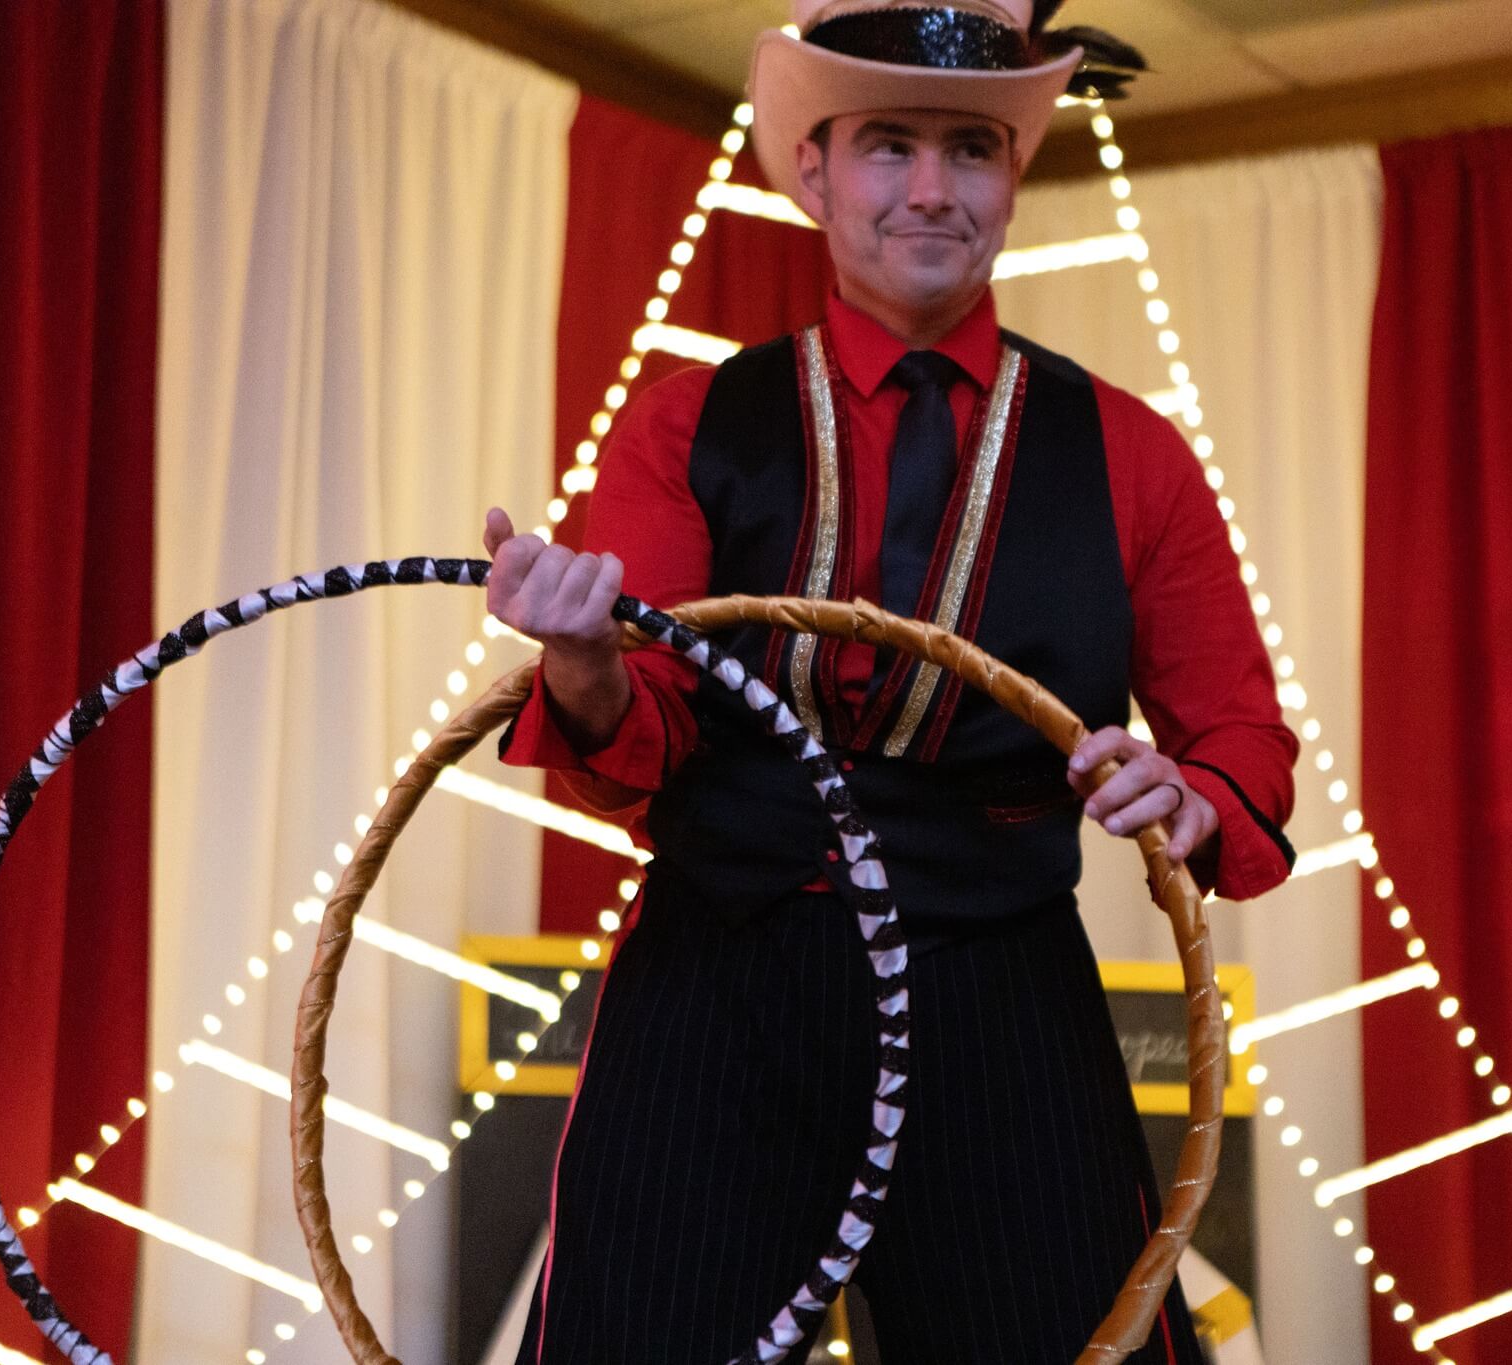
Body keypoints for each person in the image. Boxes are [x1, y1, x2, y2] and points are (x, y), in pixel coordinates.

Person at [486, 1, 1297, 1359]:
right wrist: (580, 659)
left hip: (1000, 993)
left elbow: (1242, 742)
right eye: (888, 147)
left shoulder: (1129, 454)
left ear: (1012, 177)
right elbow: (644, 726)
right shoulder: (693, 420)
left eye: (971, 148)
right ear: (811, 171)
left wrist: (1192, 797)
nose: (932, 188)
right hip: (720, 984)